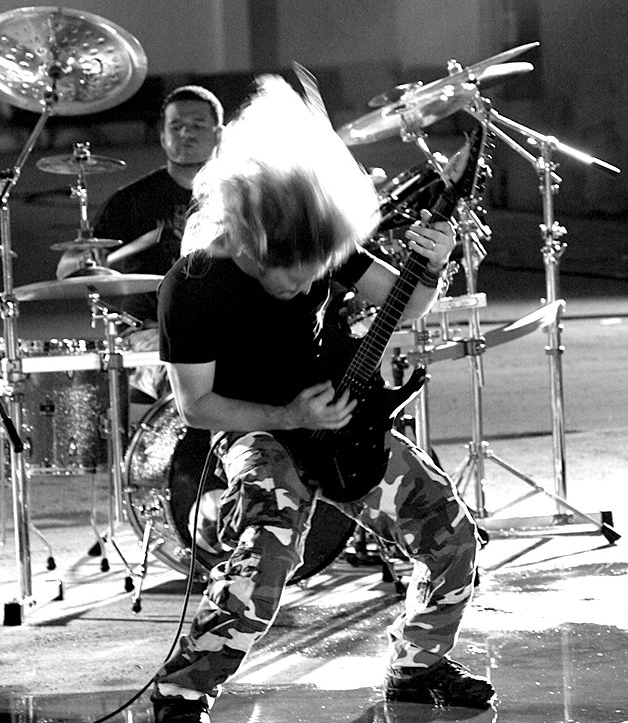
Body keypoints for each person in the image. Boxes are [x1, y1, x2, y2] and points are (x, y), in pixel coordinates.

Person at [152, 75, 495, 722]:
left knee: (451, 535)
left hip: (340, 418)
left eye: (316, 273)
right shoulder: (191, 286)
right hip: (255, 427)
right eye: (292, 278)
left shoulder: (312, 238)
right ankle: (182, 696)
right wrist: (288, 416)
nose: (304, 285)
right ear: (252, 245)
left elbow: (408, 304)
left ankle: (418, 668)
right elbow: (196, 406)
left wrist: (434, 260)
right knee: (266, 557)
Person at [56, 85, 224, 402]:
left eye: (198, 125)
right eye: (176, 126)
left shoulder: (241, 197)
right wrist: (87, 264)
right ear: (162, 136)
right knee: (179, 372)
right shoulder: (130, 201)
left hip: (223, 324)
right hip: (148, 328)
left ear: (219, 134)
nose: (185, 133)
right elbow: (66, 268)